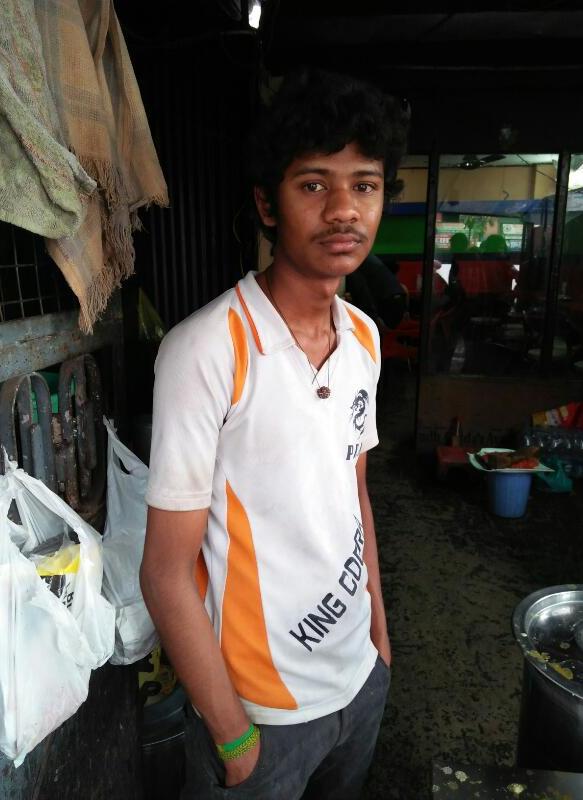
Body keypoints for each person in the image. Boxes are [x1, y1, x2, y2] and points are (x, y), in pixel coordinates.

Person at [140, 67, 409, 800]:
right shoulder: (206, 351)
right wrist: (234, 739)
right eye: (313, 184)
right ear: (266, 203)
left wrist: (379, 641)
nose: (343, 210)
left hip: (359, 684)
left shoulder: (364, 338)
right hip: (261, 717)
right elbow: (164, 572)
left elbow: (354, 493)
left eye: (364, 185)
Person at [345, 252, 407, 334]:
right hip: (396, 298)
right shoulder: (362, 257)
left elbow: (362, 294)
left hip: (388, 302)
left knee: (372, 333)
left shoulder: (354, 262)